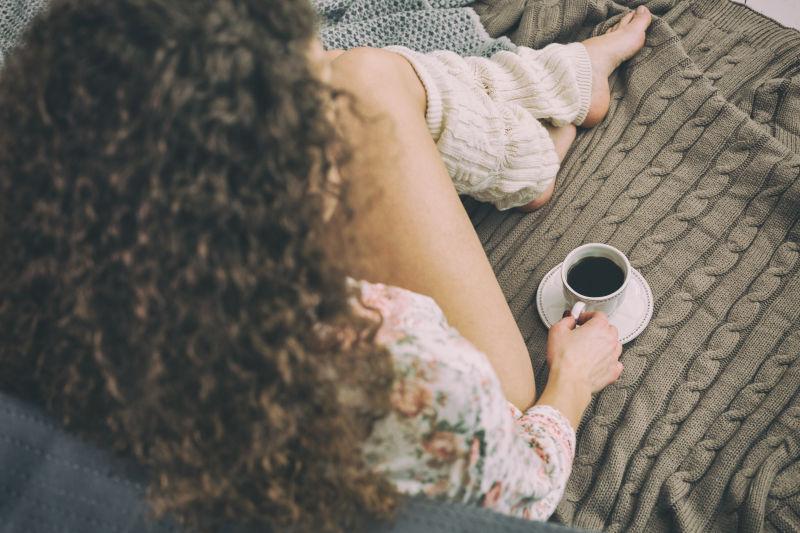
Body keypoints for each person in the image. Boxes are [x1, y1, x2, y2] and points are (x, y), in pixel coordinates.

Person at [0, 1, 650, 532]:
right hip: (445, 417)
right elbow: (517, 495)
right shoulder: (394, 357)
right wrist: (568, 385)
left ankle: (555, 100)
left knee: (360, 78)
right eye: (314, 119)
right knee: (367, 80)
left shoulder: (37, 269)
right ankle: (545, 132)